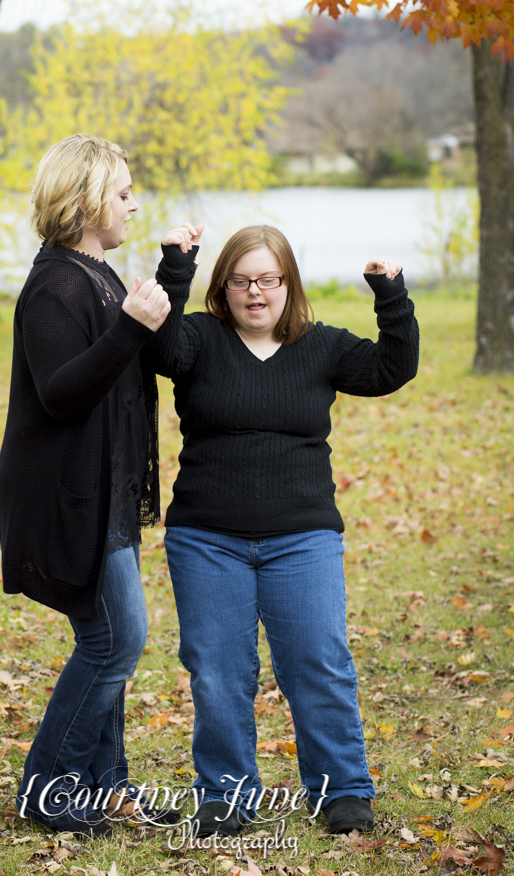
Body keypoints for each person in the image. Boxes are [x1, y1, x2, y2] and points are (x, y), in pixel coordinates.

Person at [151, 224, 419, 836]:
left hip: (302, 538)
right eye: (241, 281)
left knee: (316, 660)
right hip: (207, 538)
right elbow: (159, 350)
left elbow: (391, 368)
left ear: (287, 284)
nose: (255, 293)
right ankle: (226, 792)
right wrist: (176, 266)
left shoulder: (320, 345)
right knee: (218, 668)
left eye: (268, 280)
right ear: (224, 287)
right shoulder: (198, 337)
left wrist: (390, 293)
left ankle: (342, 789)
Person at [0, 134, 173, 837]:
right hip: (66, 495)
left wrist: (171, 278)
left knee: (108, 641)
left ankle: (108, 787)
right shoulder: (56, 285)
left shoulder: (96, 275)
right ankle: (47, 786)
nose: (133, 204)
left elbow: (141, 355)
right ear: (86, 198)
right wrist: (128, 328)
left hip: (102, 486)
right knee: (115, 640)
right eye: (123, 192)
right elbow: (63, 392)